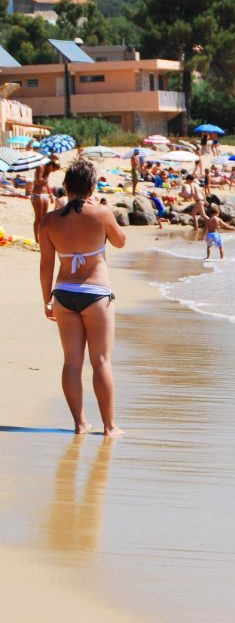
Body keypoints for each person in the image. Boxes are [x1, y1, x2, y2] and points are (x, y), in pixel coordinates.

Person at [38, 158, 126, 436]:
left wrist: (47, 300)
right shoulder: (101, 213)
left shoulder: (49, 220)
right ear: (92, 185)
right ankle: (109, 427)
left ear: (65, 186)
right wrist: (107, 211)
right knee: (100, 361)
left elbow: (45, 265)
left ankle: (80, 423)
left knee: (71, 362)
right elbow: (121, 241)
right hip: (96, 294)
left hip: (63, 293)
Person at [30, 154, 60, 241]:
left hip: (45, 195)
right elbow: (38, 181)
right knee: (38, 218)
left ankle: (42, 238)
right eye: (54, 169)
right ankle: (37, 239)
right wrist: (46, 178)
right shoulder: (40, 167)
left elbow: (46, 184)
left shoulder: (47, 171)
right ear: (51, 166)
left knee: (44, 219)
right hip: (37, 194)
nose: (53, 172)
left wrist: (50, 195)